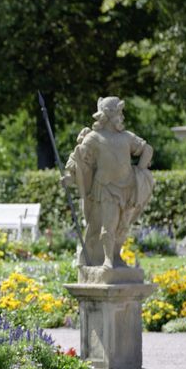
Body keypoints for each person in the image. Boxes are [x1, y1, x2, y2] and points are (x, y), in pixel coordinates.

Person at [63, 96, 153, 270]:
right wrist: (70, 178)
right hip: (105, 188)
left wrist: (141, 172)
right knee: (108, 225)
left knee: (122, 227)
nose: (123, 117)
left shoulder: (127, 137)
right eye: (120, 113)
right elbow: (80, 160)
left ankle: (115, 256)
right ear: (109, 115)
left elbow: (147, 149)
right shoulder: (94, 137)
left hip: (128, 188)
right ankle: (107, 261)